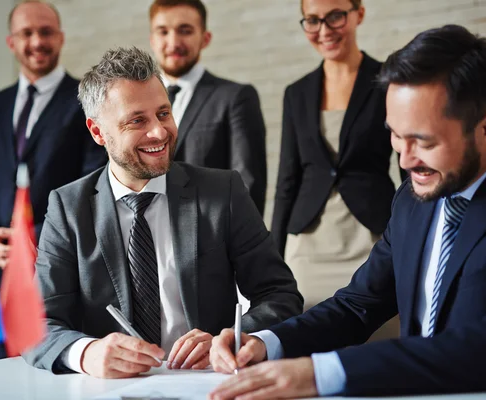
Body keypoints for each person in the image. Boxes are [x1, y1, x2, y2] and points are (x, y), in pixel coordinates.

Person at [208, 24, 486, 398]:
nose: (406, 158)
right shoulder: (411, 200)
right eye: (396, 136)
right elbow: (357, 306)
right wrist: (267, 342)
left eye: (423, 141)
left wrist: (320, 374)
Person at [22, 47, 302, 378]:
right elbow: (37, 322)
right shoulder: (68, 207)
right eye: (137, 120)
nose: (159, 132)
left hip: (208, 384)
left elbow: (280, 295)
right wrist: (86, 353)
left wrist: (233, 337)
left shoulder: (223, 192)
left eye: (164, 113)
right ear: (98, 132)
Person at [0, 0, 107, 360]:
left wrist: (32, 239)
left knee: (50, 369)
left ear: (61, 38)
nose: (37, 41)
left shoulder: (88, 102)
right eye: (27, 33)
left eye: (46, 31)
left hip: (59, 270)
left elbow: (94, 184)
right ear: (11, 42)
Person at [270, 0, 402, 313]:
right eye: (312, 20)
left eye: (335, 16)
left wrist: (414, 236)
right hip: (307, 245)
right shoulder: (296, 92)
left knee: (375, 342)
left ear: (360, 13)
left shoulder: (389, 82)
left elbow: (408, 167)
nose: (325, 30)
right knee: (304, 341)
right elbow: (287, 179)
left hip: (372, 238)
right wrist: (271, 257)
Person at [148, 0, 267, 215]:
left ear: (205, 39)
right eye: (163, 32)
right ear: (152, 40)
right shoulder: (140, 104)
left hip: (211, 238)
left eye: (185, 31)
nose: (173, 42)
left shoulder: (235, 97)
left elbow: (248, 183)